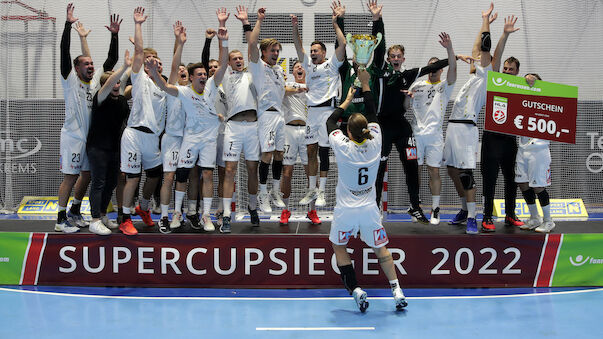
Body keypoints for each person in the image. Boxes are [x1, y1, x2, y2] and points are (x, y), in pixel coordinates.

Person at [368, 1, 460, 224]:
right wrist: (377, 20)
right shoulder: (379, 70)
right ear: (389, 59)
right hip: (382, 126)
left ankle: (415, 206)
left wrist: (454, 56)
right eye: (393, 56)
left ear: (403, 59)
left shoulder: (409, 75)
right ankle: (376, 208)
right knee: (380, 168)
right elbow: (379, 46)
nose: (396, 59)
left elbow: (431, 68)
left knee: (411, 163)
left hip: (401, 125)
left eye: (399, 56)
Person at [326, 68, 407, 312]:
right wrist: (366, 83)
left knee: (339, 247)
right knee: (380, 248)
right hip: (369, 209)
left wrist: (348, 99)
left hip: (346, 210)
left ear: (348, 132)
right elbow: (372, 112)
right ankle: (396, 289)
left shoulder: (343, 146)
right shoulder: (376, 141)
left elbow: (331, 121)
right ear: (367, 130)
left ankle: (356, 289)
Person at [148, 23, 229, 234]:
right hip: (189, 139)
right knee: (181, 175)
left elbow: (223, 64)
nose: (204, 76)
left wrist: (223, 40)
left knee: (208, 177)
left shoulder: (212, 86)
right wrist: (154, 72)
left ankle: (206, 216)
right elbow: (165, 85)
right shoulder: (184, 92)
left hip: (209, 140)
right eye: (199, 74)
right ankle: (175, 213)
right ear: (192, 77)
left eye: (205, 73)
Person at [444, 3, 518, 234]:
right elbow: (478, 47)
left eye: (481, 57)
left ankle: (474, 217)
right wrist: (482, 21)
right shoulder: (474, 74)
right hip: (453, 126)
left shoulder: (488, 74)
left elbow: (487, 46)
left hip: (467, 127)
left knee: (466, 172)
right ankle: (466, 208)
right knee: (452, 170)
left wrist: (499, 30)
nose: (477, 56)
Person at [56, 3, 119, 233]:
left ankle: (74, 210)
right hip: (72, 136)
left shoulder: (94, 82)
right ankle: (60, 219)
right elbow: (64, 51)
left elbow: (108, 62)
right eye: (86, 64)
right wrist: (67, 25)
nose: (91, 66)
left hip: (89, 139)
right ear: (76, 67)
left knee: (87, 175)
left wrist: (114, 36)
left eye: (92, 63)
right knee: (70, 178)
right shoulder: (69, 79)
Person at [291, 1, 347, 208]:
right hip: (311, 114)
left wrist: (335, 23)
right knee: (310, 152)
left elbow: (342, 46)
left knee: (324, 152)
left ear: (324, 53)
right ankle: (312, 189)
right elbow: (298, 46)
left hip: (327, 113)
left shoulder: (331, 65)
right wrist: (295, 27)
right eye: (312, 51)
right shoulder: (308, 66)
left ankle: (322, 191)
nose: (313, 53)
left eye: (317, 50)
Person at [119, 7, 167, 235]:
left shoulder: (164, 87)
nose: (154, 63)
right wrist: (137, 24)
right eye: (150, 60)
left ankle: (144, 207)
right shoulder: (139, 80)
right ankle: (125, 218)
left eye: (157, 61)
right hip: (134, 134)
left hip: (153, 138)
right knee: (133, 177)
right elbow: (139, 52)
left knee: (155, 175)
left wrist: (179, 41)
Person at [407, 32, 459, 225]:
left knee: (434, 172)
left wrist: (449, 49)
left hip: (435, 137)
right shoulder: (417, 85)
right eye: (431, 67)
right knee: (415, 172)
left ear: (441, 70)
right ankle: (416, 207)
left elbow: (453, 68)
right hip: (416, 136)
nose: (434, 70)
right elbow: (405, 106)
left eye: (437, 67)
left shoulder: (446, 86)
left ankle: (435, 209)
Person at [241, 6, 287, 214]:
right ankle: (261, 193)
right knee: (266, 154)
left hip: (280, 116)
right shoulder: (257, 66)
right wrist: (255, 21)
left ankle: (275, 191)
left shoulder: (278, 69)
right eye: (272, 51)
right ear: (264, 52)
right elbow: (252, 44)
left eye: (278, 51)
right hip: (266, 116)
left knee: (280, 153)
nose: (276, 54)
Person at [87, 50, 132, 235]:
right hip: (97, 147)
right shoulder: (100, 98)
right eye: (112, 82)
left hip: (115, 148)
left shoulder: (122, 101)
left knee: (112, 183)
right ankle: (94, 219)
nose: (116, 84)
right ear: (104, 85)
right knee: (98, 182)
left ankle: (103, 214)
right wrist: (124, 67)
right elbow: (110, 82)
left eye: (118, 82)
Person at [480, 56, 524, 231]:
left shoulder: (521, 88)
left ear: (517, 72)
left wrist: (531, 78)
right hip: (491, 139)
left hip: (509, 140)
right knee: (489, 180)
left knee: (511, 180)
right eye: (505, 68)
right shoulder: (494, 82)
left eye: (510, 69)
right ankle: (487, 216)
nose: (506, 71)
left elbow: (537, 88)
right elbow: (492, 65)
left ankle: (510, 215)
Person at [157, 22, 192, 233]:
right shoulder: (171, 89)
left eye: (184, 70)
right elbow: (174, 65)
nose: (181, 71)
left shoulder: (195, 91)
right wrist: (179, 42)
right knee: (168, 176)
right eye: (178, 70)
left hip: (188, 140)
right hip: (171, 138)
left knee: (183, 177)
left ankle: (178, 212)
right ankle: (163, 216)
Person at [280, 61, 321, 225]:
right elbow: (282, 91)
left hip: (308, 132)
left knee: (311, 174)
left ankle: (312, 211)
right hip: (289, 130)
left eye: (302, 66)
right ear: (292, 71)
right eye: (296, 66)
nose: (299, 68)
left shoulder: (313, 86)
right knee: (286, 173)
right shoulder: (287, 85)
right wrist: (300, 88)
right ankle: (285, 210)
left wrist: (308, 88)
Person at [517, 73, 555, 233]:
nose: (528, 81)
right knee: (523, 184)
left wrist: (536, 85)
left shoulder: (547, 101)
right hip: (522, 148)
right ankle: (534, 218)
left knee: (538, 186)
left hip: (539, 150)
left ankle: (548, 221)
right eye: (527, 79)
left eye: (532, 79)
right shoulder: (521, 100)